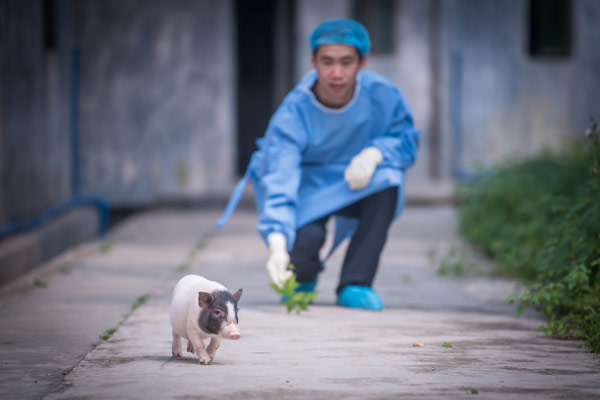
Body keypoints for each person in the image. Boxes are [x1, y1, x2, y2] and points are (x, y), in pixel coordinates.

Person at [217, 19, 420, 310]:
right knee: (305, 239)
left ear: (362, 62)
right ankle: (302, 279)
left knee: (389, 177)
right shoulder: (293, 111)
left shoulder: (383, 95)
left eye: (346, 62)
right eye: (327, 61)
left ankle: (356, 282)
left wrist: (375, 153)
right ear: (313, 61)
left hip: (359, 182)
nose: (336, 73)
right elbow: (280, 176)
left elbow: (407, 140)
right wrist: (275, 244)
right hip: (308, 189)